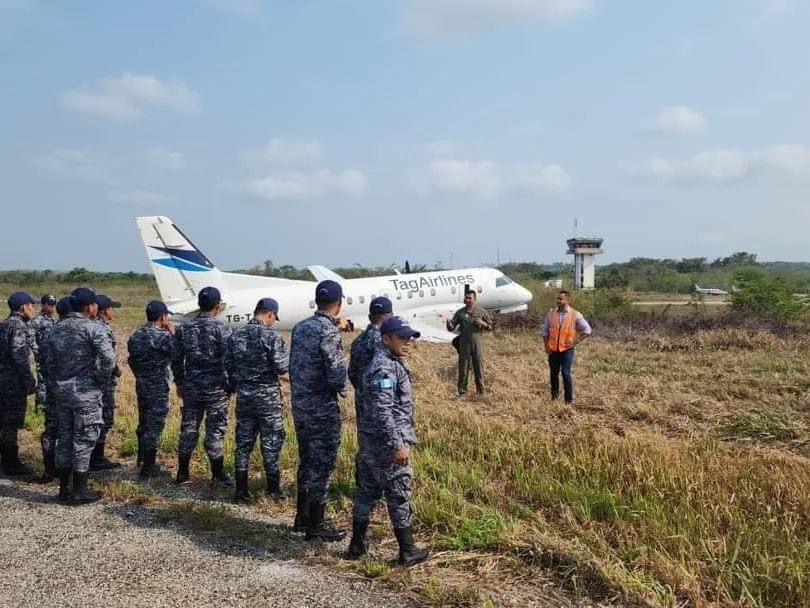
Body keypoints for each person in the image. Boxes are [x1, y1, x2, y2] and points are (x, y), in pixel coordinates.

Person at [347, 316, 429, 566]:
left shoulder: (387, 362)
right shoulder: (384, 367)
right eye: (402, 338)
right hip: (385, 445)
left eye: (410, 338)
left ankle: (357, 546)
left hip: (371, 443)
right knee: (398, 494)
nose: (408, 343)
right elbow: (383, 411)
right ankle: (407, 550)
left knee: (367, 493)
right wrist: (397, 444)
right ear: (385, 339)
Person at [289, 280, 348, 541]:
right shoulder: (330, 331)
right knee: (322, 464)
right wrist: (344, 388)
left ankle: (301, 517)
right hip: (322, 407)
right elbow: (336, 374)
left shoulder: (300, 328)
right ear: (339, 303)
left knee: (306, 460)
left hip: (300, 404)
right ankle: (317, 524)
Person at [48, 288, 115, 503]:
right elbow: (108, 360)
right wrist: (99, 378)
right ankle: (79, 491)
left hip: (61, 392)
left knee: (64, 438)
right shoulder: (93, 328)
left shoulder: (55, 329)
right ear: (90, 307)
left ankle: (63, 489)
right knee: (84, 439)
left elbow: (47, 361)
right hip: (85, 393)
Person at [226, 298, 289, 502]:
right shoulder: (272, 336)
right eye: (273, 318)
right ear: (270, 314)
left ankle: (241, 490)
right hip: (268, 397)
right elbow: (281, 366)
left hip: (244, 395)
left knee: (243, 443)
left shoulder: (235, 334)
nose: (273, 322)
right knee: (271, 442)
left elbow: (227, 364)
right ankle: (273, 491)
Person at [172, 286, 233, 485]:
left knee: (188, 428)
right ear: (217, 306)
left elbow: (176, 358)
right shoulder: (222, 329)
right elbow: (229, 359)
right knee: (215, 430)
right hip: (216, 388)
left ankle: (182, 472)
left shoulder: (184, 328)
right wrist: (231, 385)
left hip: (191, 386)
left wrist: (179, 382)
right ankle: (217, 473)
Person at [127, 300, 175, 480]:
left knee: (144, 422)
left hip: (142, 384)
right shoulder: (163, 337)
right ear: (162, 317)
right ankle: (148, 469)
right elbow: (177, 353)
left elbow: (131, 361)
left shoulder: (135, 336)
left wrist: (140, 375)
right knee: (154, 426)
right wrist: (173, 333)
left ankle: (141, 459)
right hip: (157, 386)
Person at [0, 292, 37, 476]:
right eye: (31, 305)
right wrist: (29, 380)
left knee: (4, 421)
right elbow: (19, 356)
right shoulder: (19, 326)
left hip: (2, 380)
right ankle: (11, 463)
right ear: (23, 307)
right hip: (12, 383)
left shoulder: (4, 325)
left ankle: (6, 460)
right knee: (10, 423)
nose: (33, 308)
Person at [36, 296, 73, 482]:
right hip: (68, 392)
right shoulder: (74, 333)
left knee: (51, 429)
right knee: (66, 431)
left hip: (52, 388)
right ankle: (63, 474)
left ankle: (50, 470)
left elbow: (42, 361)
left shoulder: (51, 332)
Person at [541, 290, 592, 405]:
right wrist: (546, 347)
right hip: (553, 350)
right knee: (553, 374)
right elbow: (545, 332)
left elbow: (587, 330)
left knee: (565, 373)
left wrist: (575, 342)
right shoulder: (551, 313)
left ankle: (568, 401)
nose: (558, 301)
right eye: (557, 299)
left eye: (561, 299)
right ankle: (554, 398)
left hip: (567, 350)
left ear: (568, 300)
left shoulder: (575, 314)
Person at [90, 294, 123, 470]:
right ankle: (97, 458)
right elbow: (106, 356)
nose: (112, 311)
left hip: (92, 380)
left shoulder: (91, 326)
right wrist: (114, 370)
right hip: (104, 381)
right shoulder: (103, 328)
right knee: (105, 417)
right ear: (104, 310)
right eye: (111, 308)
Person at [446, 289, 493, 396]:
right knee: (463, 368)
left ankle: (480, 391)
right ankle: (462, 392)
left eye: (469, 298)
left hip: (477, 343)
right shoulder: (460, 313)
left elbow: (490, 327)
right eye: (465, 298)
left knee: (478, 367)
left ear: (475, 299)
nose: (466, 300)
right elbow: (452, 327)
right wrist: (449, 324)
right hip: (464, 343)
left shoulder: (481, 312)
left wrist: (483, 324)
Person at [29, 294, 57, 412]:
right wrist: (37, 351)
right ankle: (40, 409)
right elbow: (30, 337)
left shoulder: (53, 321)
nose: (52, 308)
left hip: (53, 357)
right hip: (42, 357)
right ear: (43, 305)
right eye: (50, 305)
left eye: (53, 305)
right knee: (42, 384)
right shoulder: (37, 321)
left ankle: (49, 408)